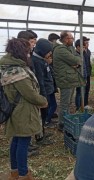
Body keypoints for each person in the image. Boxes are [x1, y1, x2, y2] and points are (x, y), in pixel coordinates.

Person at [1, 38, 47, 180]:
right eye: (28, 51)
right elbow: (30, 94)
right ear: (21, 52)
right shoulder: (18, 72)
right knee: (23, 143)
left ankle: (14, 171)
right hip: (23, 111)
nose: (29, 53)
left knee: (16, 140)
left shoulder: (8, 67)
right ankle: (23, 174)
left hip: (15, 109)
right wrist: (43, 101)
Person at [53, 31, 85, 131]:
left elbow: (78, 59)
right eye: (71, 38)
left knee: (68, 103)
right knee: (64, 104)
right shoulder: (60, 49)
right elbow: (76, 60)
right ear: (66, 39)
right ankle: (62, 124)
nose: (73, 40)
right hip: (65, 80)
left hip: (70, 79)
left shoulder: (68, 48)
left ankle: (66, 121)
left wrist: (76, 61)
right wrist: (76, 61)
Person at [32, 38, 56, 133]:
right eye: (48, 52)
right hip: (44, 92)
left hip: (48, 90)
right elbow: (40, 81)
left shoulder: (42, 59)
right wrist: (44, 97)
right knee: (42, 115)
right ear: (42, 51)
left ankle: (42, 133)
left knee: (45, 113)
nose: (50, 54)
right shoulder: (37, 61)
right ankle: (40, 136)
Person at [74, 38, 88, 110]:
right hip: (79, 77)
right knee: (79, 93)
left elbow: (84, 66)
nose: (84, 49)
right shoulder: (75, 55)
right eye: (83, 47)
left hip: (84, 76)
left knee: (83, 92)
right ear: (78, 47)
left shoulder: (83, 54)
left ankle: (82, 106)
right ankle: (78, 107)